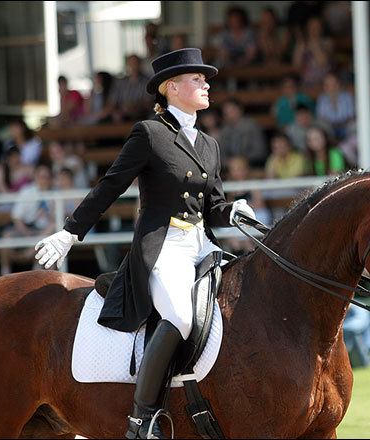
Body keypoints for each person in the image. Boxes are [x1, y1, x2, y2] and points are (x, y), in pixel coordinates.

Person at [33, 48, 257, 439]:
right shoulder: (150, 133)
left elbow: (213, 205)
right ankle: (142, 420)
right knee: (180, 317)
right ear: (171, 88)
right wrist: (70, 232)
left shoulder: (209, 144)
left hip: (202, 245)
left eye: (206, 79)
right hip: (165, 246)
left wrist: (234, 211)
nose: (206, 84)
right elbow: (110, 185)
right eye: (197, 79)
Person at [0, 162, 56, 275]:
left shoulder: (56, 193)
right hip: (26, 229)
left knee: (50, 234)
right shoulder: (27, 191)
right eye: (41, 176)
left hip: (45, 232)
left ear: (50, 178)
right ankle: (4, 274)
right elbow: (17, 217)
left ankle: (34, 273)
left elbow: (56, 220)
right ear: (35, 177)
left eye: (46, 176)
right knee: (7, 236)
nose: (44, 179)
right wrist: (26, 234)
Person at [218, 97, 267, 169]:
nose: (230, 114)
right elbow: (221, 151)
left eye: (232, 111)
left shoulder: (252, 126)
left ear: (240, 110)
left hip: (252, 165)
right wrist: (227, 161)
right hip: (230, 167)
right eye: (227, 112)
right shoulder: (224, 129)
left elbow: (259, 150)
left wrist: (242, 161)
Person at [105, 54, 153, 123]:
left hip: (140, 116)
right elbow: (112, 102)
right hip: (122, 116)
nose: (133, 66)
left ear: (140, 64)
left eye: (135, 63)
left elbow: (149, 103)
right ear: (127, 65)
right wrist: (115, 112)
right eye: (131, 63)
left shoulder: (147, 81)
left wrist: (134, 106)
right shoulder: (120, 83)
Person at [292, 16, 333, 88]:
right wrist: (300, 50)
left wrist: (314, 44)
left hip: (325, 82)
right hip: (306, 83)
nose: (314, 30)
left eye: (317, 27)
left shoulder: (328, 42)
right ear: (307, 28)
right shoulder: (301, 44)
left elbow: (324, 62)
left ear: (321, 28)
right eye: (312, 27)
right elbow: (296, 68)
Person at [316, 73, 355, 140]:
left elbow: (351, 116)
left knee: (354, 125)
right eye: (328, 85)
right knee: (321, 125)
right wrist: (332, 125)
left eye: (334, 84)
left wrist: (340, 124)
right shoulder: (322, 99)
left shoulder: (348, 97)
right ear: (325, 87)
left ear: (338, 84)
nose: (331, 87)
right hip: (329, 128)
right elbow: (321, 118)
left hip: (345, 126)